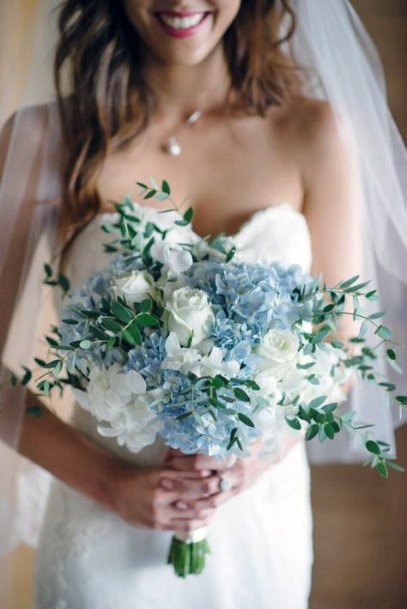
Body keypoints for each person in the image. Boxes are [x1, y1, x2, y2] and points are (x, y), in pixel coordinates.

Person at [0, 2, 405, 608]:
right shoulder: (44, 137)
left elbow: (340, 352)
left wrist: (252, 464)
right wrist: (110, 484)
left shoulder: (313, 133)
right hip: (101, 529)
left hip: (256, 529)